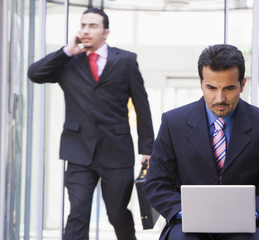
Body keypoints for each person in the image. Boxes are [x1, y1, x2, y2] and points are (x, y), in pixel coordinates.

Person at [143, 44, 259, 240]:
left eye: (229, 88)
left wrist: (254, 213)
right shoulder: (173, 123)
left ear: (242, 84)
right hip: (187, 226)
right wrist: (184, 212)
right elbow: (156, 184)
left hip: (247, 228)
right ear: (200, 82)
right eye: (211, 88)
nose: (220, 98)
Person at [28, 8, 154, 240]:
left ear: (106, 32)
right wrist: (66, 51)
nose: (86, 30)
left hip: (117, 152)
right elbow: (35, 74)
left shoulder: (126, 61)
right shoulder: (68, 61)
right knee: (78, 213)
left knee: (116, 214)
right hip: (79, 153)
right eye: (83, 25)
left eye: (92, 26)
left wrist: (147, 148)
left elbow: (141, 105)